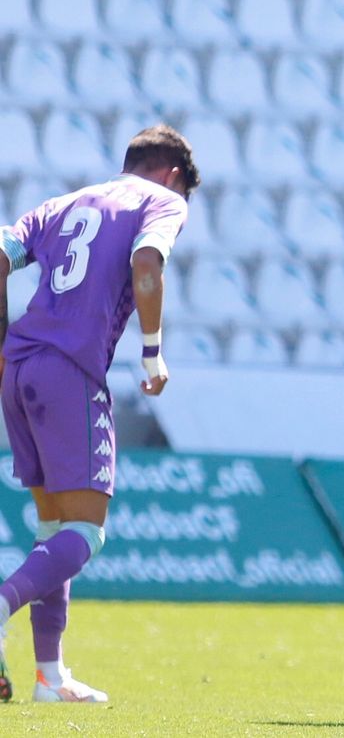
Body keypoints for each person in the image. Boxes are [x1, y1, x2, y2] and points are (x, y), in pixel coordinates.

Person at [0, 125, 198, 704]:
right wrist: (154, 350)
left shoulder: (62, 202)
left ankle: (49, 675)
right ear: (174, 175)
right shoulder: (164, 201)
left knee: (53, 529)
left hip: (20, 366)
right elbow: (146, 262)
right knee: (86, 531)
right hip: (70, 371)